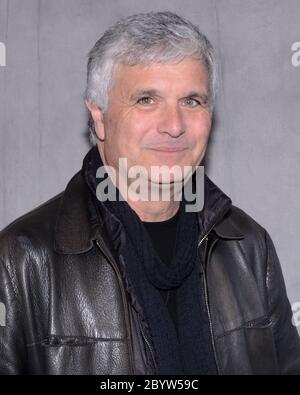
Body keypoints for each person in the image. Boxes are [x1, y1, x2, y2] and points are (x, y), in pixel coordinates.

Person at [0, 11, 299, 375]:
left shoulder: (249, 247)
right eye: (146, 100)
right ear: (98, 116)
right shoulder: (20, 258)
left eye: (192, 101)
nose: (174, 126)